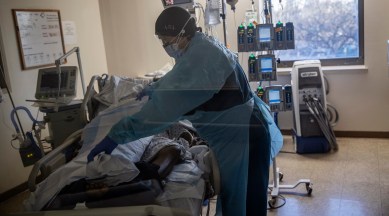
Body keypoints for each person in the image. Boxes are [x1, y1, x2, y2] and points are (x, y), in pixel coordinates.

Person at [88, 6, 283, 216]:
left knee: (240, 200)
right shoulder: (200, 46)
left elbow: (163, 111)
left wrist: (117, 134)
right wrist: (155, 87)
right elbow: (178, 78)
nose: (165, 45)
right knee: (247, 197)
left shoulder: (202, 57)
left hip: (242, 135)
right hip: (244, 129)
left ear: (182, 33)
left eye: (166, 39)